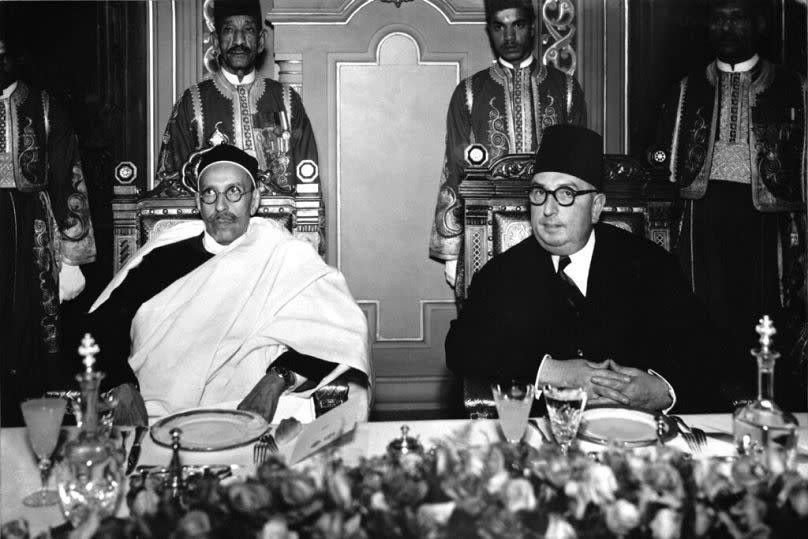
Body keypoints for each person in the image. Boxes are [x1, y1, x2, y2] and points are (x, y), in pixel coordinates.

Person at [86, 145, 369, 426]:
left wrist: (276, 379)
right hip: (153, 412)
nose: (221, 206)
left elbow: (338, 335)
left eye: (234, 192)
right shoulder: (163, 255)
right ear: (198, 202)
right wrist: (122, 386)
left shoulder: (284, 255)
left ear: (254, 200)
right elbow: (104, 325)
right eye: (210, 193)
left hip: (250, 412)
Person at [446, 125, 720, 413]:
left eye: (566, 193)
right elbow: (461, 346)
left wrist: (662, 390)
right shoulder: (501, 273)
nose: (548, 209)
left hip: (636, 430)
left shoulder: (649, 264)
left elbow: (706, 346)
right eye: (539, 192)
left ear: (596, 206)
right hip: (545, 436)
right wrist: (550, 372)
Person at [654, 0, 806, 409]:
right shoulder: (688, 88)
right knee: (704, 310)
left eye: (737, 18)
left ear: (757, 24)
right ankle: (707, 401)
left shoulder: (792, 87)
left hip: (766, 218)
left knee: (760, 313)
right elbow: (663, 163)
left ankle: (764, 404)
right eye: (719, 19)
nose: (727, 27)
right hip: (702, 214)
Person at [429, 0, 587, 293]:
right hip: (486, 234)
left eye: (518, 25)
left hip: (553, 232)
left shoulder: (565, 90)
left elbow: (579, 177)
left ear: (532, 27)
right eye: (499, 27)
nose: (509, 37)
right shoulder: (469, 93)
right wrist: (452, 251)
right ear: (489, 31)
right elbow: (454, 171)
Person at [0, 31, 96, 426]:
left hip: (32, 229)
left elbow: (68, 179)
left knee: (29, 336)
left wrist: (71, 258)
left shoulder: (44, 106)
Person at [156, 0, 318, 196]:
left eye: (248, 30)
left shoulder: (287, 100)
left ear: (260, 41)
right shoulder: (191, 103)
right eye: (229, 30)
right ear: (216, 42)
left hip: (279, 224)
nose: (239, 40)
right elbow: (169, 185)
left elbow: (309, 180)